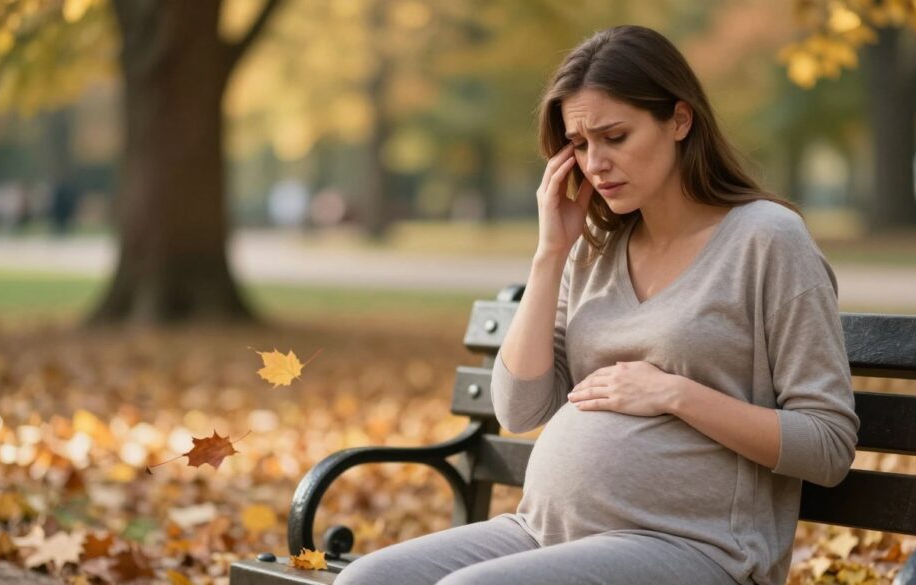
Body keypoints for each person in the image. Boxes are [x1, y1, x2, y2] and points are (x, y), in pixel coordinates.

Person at [334, 24, 859, 585]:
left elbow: (827, 443)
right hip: (544, 531)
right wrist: (550, 252)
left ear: (680, 120)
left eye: (615, 136)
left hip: (697, 548)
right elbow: (519, 409)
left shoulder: (768, 240)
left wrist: (674, 394)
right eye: (579, 145)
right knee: (365, 581)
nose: (595, 163)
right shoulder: (593, 251)